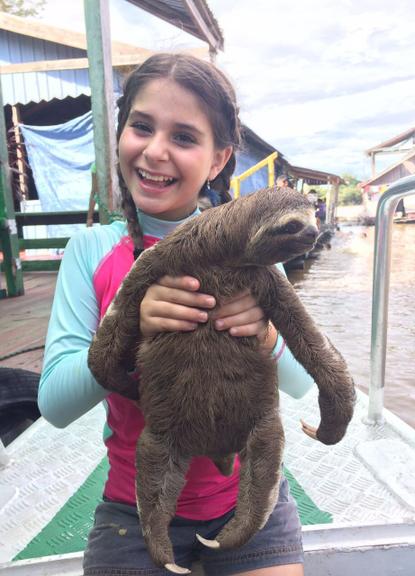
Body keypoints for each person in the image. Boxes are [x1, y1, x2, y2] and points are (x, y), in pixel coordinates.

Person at [38, 53, 315, 576]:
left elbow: (303, 385)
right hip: (134, 508)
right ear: (121, 133)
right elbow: (54, 404)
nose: (156, 151)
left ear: (218, 160)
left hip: (249, 498)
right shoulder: (92, 250)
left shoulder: (252, 244)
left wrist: (266, 332)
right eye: (141, 127)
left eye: (185, 137)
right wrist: (129, 323)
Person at [86, 161, 97, 227]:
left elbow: (94, 192)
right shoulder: (96, 165)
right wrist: (89, 218)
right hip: (106, 211)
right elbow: (94, 192)